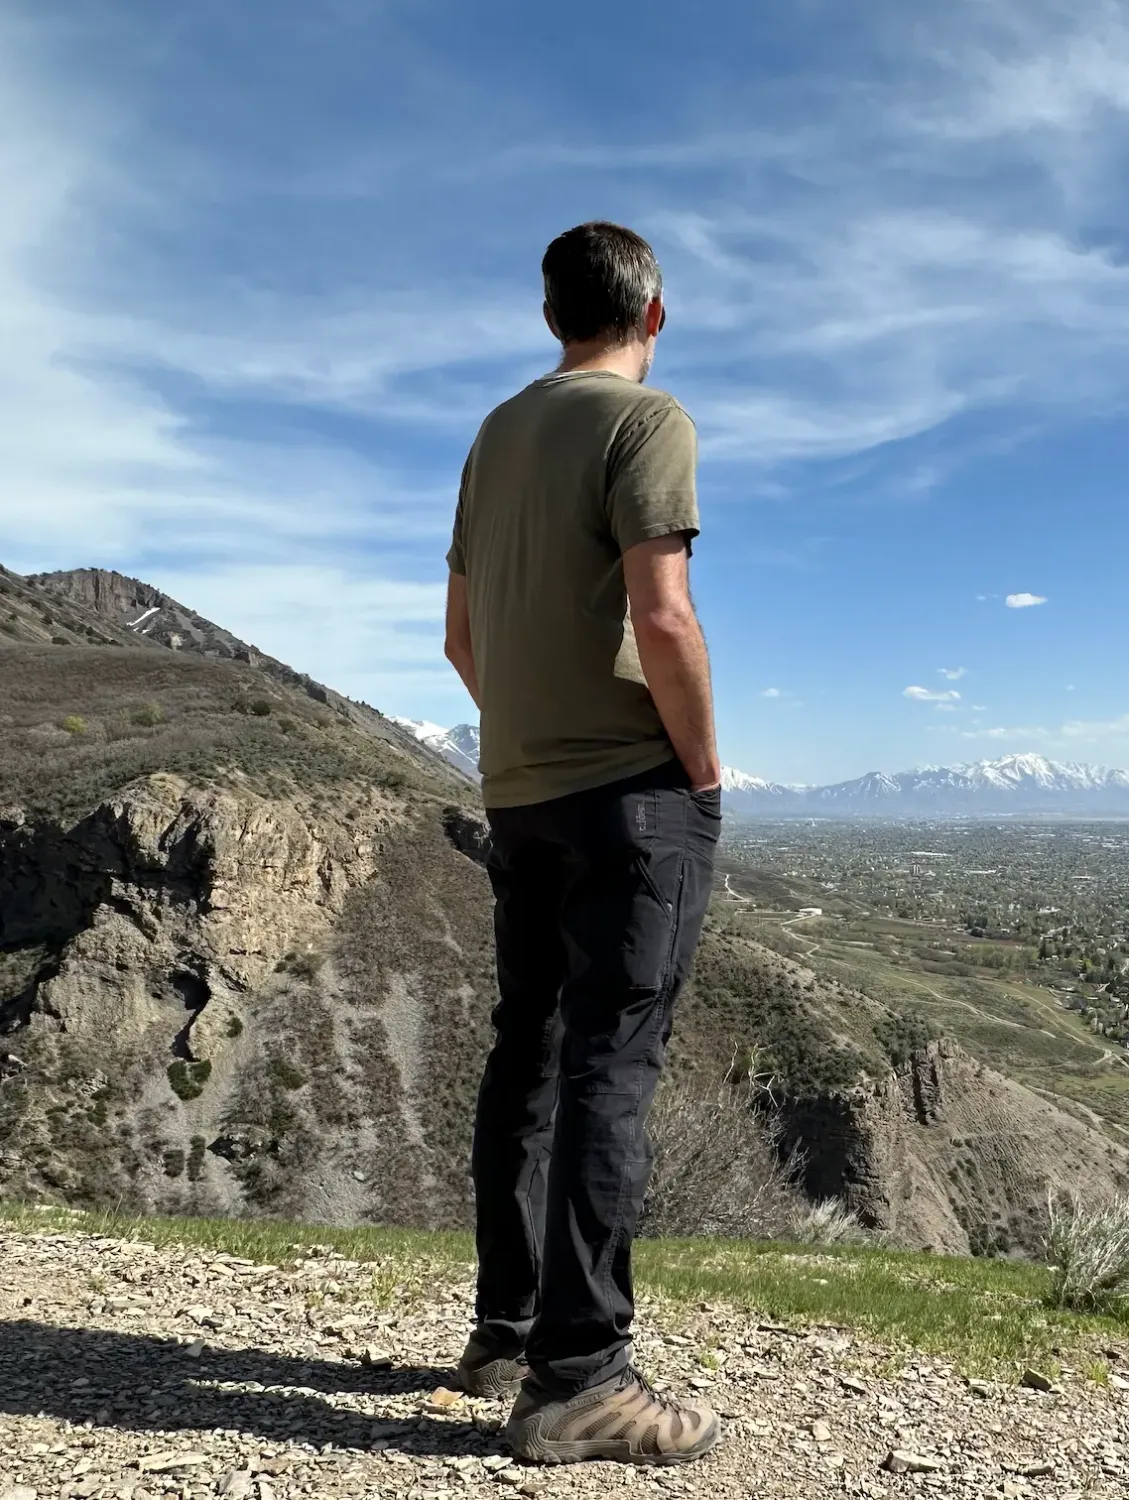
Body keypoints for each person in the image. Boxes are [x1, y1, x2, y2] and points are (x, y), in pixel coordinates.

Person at [440, 221, 724, 1467]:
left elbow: (460, 638)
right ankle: (583, 1377)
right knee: (614, 1062)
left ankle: (507, 1329)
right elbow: (662, 618)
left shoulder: (495, 436)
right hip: (627, 792)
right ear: (652, 314)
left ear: (550, 313)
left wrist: (528, 735)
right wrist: (701, 768)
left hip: (517, 790)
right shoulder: (646, 424)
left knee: (530, 1054)